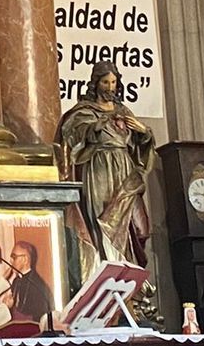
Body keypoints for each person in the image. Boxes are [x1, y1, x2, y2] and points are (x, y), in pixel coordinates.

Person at [55, 62, 157, 266]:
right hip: (99, 170)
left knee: (139, 228)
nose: (110, 87)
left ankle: (130, 277)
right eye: (105, 82)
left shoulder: (123, 110)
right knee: (103, 222)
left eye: (113, 82)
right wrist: (96, 126)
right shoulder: (84, 111)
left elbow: (139, 147)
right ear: (95, 83)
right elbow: (71, 134)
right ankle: (105, 270)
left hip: (125, 172)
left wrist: (144, 132)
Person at [8, 240, 56, 322]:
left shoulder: (37, 285)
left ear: (25, 259)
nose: (11, 261)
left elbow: (42, 316)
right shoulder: (16, 281)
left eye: (14, 257)